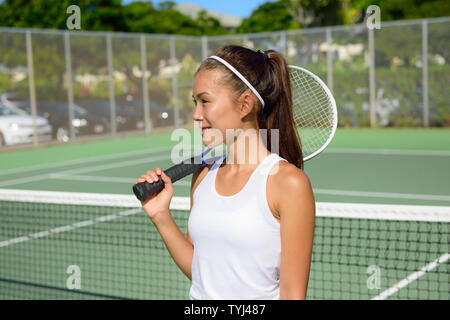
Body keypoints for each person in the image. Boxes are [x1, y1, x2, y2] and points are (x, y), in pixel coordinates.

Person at [135, 45, 315, 300]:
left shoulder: (289, 183)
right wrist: (160, 216)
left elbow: (293, 296)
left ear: (244, 105)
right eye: (195, 102)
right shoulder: (204, 176)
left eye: (205, 101)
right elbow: (202, 271)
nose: (196, 115)